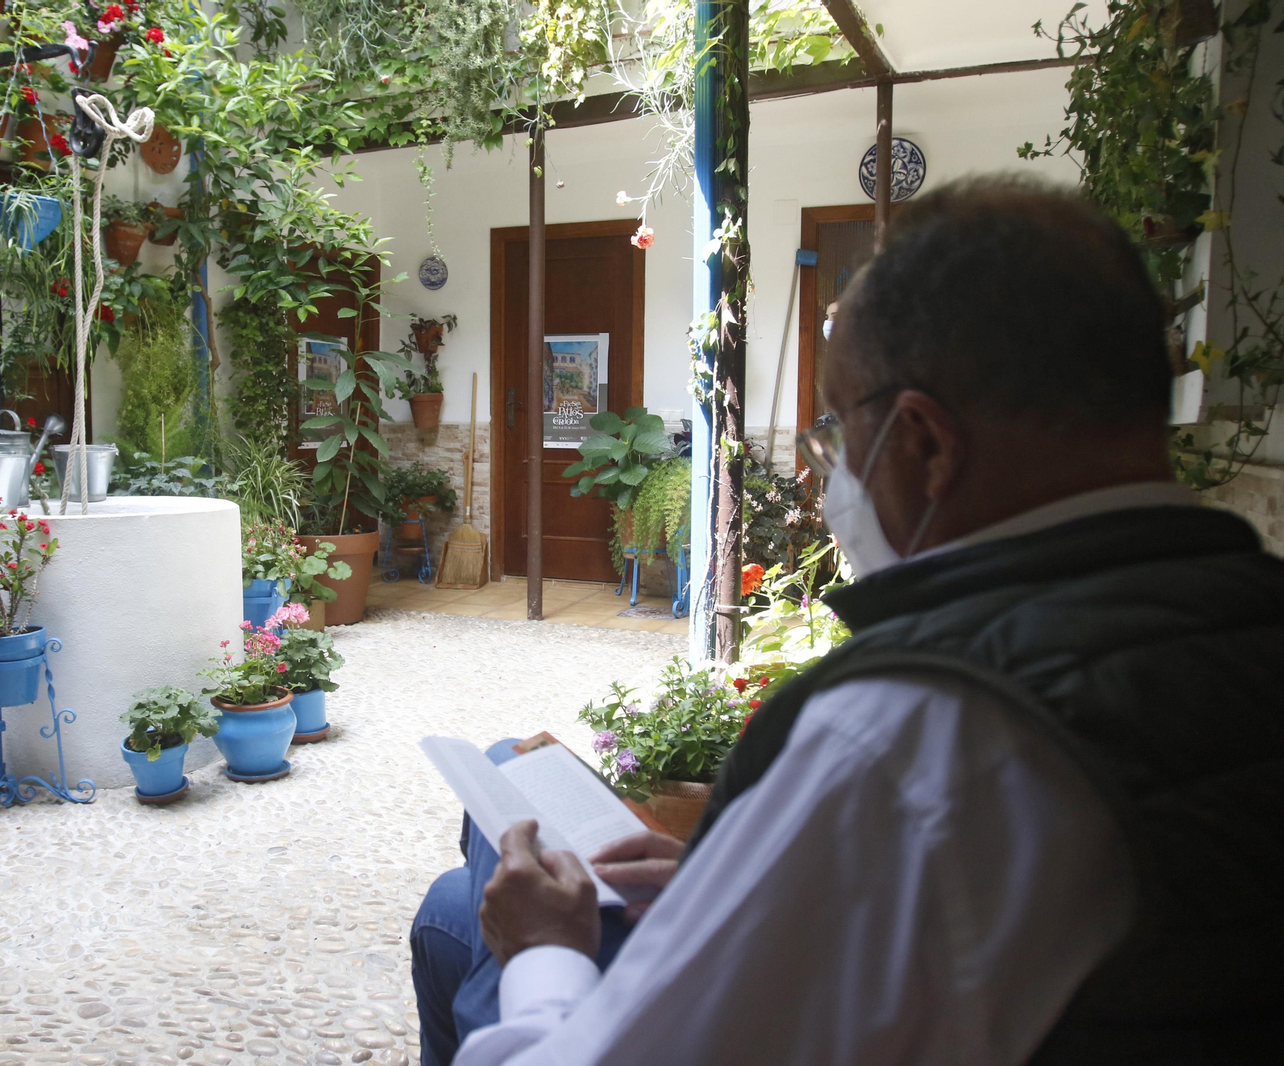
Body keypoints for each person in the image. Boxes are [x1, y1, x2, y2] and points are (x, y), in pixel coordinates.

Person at [409, 176, 1284, 1065]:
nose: (827, 475)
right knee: (453, 904)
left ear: (925, 444)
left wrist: (546, 956)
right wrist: (734, 887)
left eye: (837, 434)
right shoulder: (1242, 614)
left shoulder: (910, 735)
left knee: (483, 852)